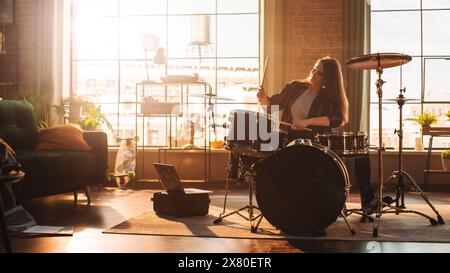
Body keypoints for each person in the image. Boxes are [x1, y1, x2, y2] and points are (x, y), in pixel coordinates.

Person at [257, 56, 376, 214]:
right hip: (290, 138)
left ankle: (364, 200)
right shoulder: (295, 87)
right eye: (314, 69)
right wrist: (264, 98)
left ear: (328, 78)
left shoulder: (329, 97)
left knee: (363, 153)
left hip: (314, 142)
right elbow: (273, 104)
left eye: (319, 73)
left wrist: (307, 122)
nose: (314, 73)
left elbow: (336, 119)